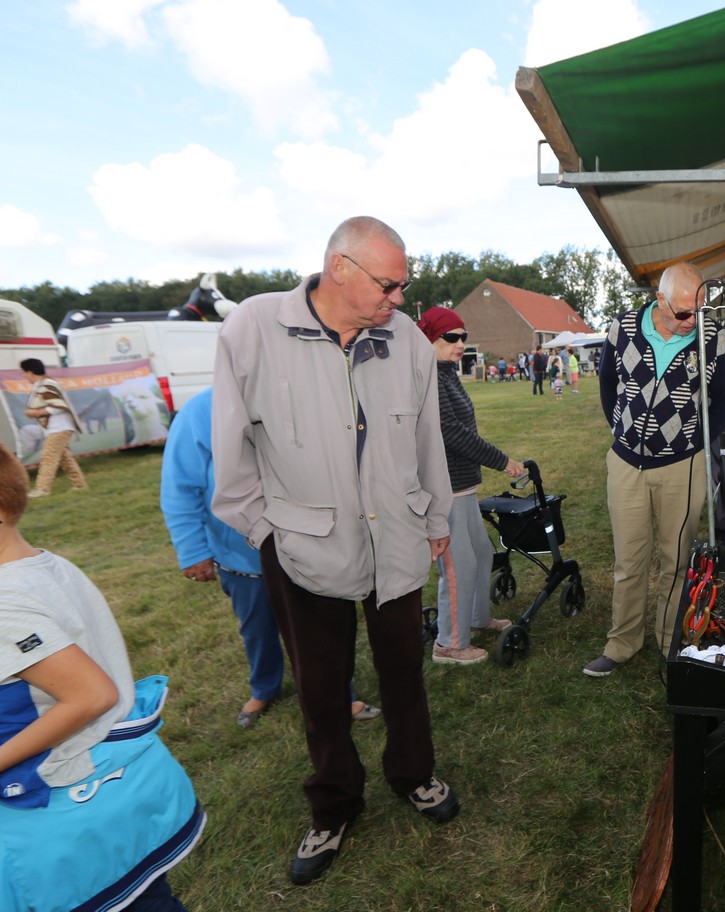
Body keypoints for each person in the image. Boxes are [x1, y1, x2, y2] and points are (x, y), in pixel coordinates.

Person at [211, 215, 459, 887]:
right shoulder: (254, 328)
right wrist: (264, 529)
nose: (399, 299)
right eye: (389, 285)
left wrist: (435, 516)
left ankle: (414, 773)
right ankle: (334, 805)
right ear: (339, 268)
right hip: (300, 547)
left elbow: (427, 439)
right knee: (321, 687)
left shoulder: (406, 341)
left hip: (397, 536)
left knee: (404, 669)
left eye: (403, 285)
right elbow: (231, 444)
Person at [0, 424, 203, 911]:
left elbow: (90, 695)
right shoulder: (47, 566)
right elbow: (45, 681)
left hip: (53, 798)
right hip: (111, 782)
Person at [159, 388, 382, 728]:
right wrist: (193, 552)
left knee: (319, 629)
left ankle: (340, 693)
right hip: (243, 560)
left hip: (310, 547)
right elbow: (179, 487)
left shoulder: (302, 395)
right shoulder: (200, 411)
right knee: (258, 630)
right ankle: (265, 687)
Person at [585, 262, 725, 677]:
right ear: (660, 301)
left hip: (682, 467)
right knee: (628, 561)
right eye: (684, 313)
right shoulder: (623, 328)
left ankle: (671, 642)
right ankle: (622, 643)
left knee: (676, 560)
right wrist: (623, 430)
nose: (692, 321)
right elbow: (607, 385)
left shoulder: (713, 337)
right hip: (626, 463)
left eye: (700, 311)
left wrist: (695, 443)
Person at [416, 307, 526, 666]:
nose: (460, 343)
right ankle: (449, 643)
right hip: (443, 489)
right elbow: (452, 432)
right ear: (429, 338)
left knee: (480, 554)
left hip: (463, 487)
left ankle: (476, 619)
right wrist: (502, 460)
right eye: (451, 337)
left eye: (464, 336)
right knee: (457, 566)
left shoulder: (447, 372)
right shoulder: (428, 376)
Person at [20, 357, 88, 498]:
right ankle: (80, 485)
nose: (24, 376)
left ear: (30, 372)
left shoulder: (47, 384)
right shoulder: (42, 384)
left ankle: (43, 489)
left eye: (24, 372)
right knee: (65, 459)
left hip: (59, 427)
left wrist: (37, 413)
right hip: (56, 427)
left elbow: (59, 405)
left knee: (48, 457)